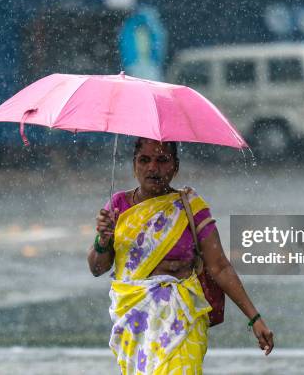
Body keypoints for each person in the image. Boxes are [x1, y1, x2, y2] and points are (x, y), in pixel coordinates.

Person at [88, 138, 274, 374]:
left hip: (182, 321)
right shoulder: (118, 206)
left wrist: (254, 317)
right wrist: (102, 240)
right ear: (134, 165)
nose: (152, 168)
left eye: (162, 160)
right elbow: (97, 268)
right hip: (135, 323)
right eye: (144, 160)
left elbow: (219, 267)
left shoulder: (190, 206)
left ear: (176, 166)